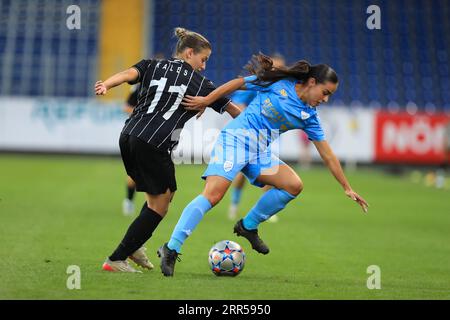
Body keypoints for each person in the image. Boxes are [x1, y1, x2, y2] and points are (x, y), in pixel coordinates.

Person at [158, 53, 369, 276]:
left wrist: (347, 187)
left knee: (293, 185)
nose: (325, 99)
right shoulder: (278, 83)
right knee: (213, 195)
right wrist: (207, 100)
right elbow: (239, 83)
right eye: (325, 93)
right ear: (312, 82)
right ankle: (171, 248)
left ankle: (247, 226)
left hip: (259, 155)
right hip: (235, 141)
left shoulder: (309, 116)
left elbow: (327, 154)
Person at [94, 27, 241, 272]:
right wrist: (256, 129)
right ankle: (117, 258)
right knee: (160, 205)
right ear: (190, 53)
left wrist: (106, 85)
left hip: (128, 136)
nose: (204, 66)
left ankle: (135, 245)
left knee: (165, 193)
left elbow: (127, 74)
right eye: (203, 59)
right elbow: (231, 108)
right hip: (153, 143)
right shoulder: (198, 81)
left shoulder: (152, 64)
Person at [228, 53, 286, 222]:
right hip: (251, 133)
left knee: (271, 169)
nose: (279, 70)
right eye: (277, 67)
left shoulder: (283, 87)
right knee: (242, 175)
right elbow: (238, 102)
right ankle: (234, 204)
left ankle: (266, 210)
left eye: (282, 68)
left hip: (271, 135)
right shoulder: (260, 82)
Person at [121, 84, 139, 216]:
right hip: (137, 133)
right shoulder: (139, 87)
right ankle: (129, 200)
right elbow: (127, 106)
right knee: (135, 172)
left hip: (158, 134)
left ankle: (154, 207)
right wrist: (142, 114)